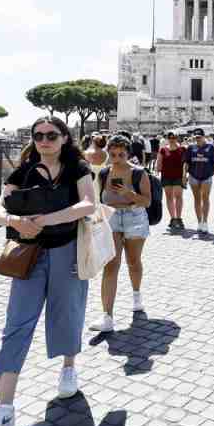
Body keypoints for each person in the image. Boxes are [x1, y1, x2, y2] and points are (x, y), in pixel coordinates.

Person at [0, 117, 95, 426]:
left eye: (51, 135)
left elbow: (88, 203)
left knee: (67, 312)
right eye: (39, 135)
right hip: (28, 256)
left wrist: (47, 219)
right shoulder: (23, 170)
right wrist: (16, 220)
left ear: (64, 138)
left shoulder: (77, 168)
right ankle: (4, 410)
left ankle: (68, 368)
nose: (44, 140)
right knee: (16, 323)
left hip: (67, 252)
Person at [89, 135, 152, 334]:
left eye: (121, 154)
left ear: (128, 154)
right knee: (111, 265)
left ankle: (136, 295)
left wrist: (128, 192)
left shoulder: (139, 173)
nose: (117, 158)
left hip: (134, 217)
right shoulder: (104, 173)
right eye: (113, 154)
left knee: (133, 261)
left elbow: (147, 201)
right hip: (112, 218)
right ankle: (107, 316)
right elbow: (99, 199)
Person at [183, 128, 214, 234]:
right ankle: (199, 222)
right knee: (197, 199)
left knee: (205, 198)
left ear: (204, 137)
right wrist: (183, 175)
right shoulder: (190, 148)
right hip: (193, 176)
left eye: (199, 137)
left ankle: (205, 222)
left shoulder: (210, 148)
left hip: (207, 176)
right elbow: (186, 163)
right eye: (196, 137)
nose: (197, 139)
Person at [156, 131, 186, 230]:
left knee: (178, 196)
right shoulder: (163, 150)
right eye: (170, 138)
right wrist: (157, 170)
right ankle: (173, 218)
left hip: (179, 176)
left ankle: (179, 218)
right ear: (167, 139)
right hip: (166, 176)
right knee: (169, 197)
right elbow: (159, 163)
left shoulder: (182, 149)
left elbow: (186, 163)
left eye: (174, 138)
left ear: (177, 138)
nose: (172, 140)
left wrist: (185, 175)